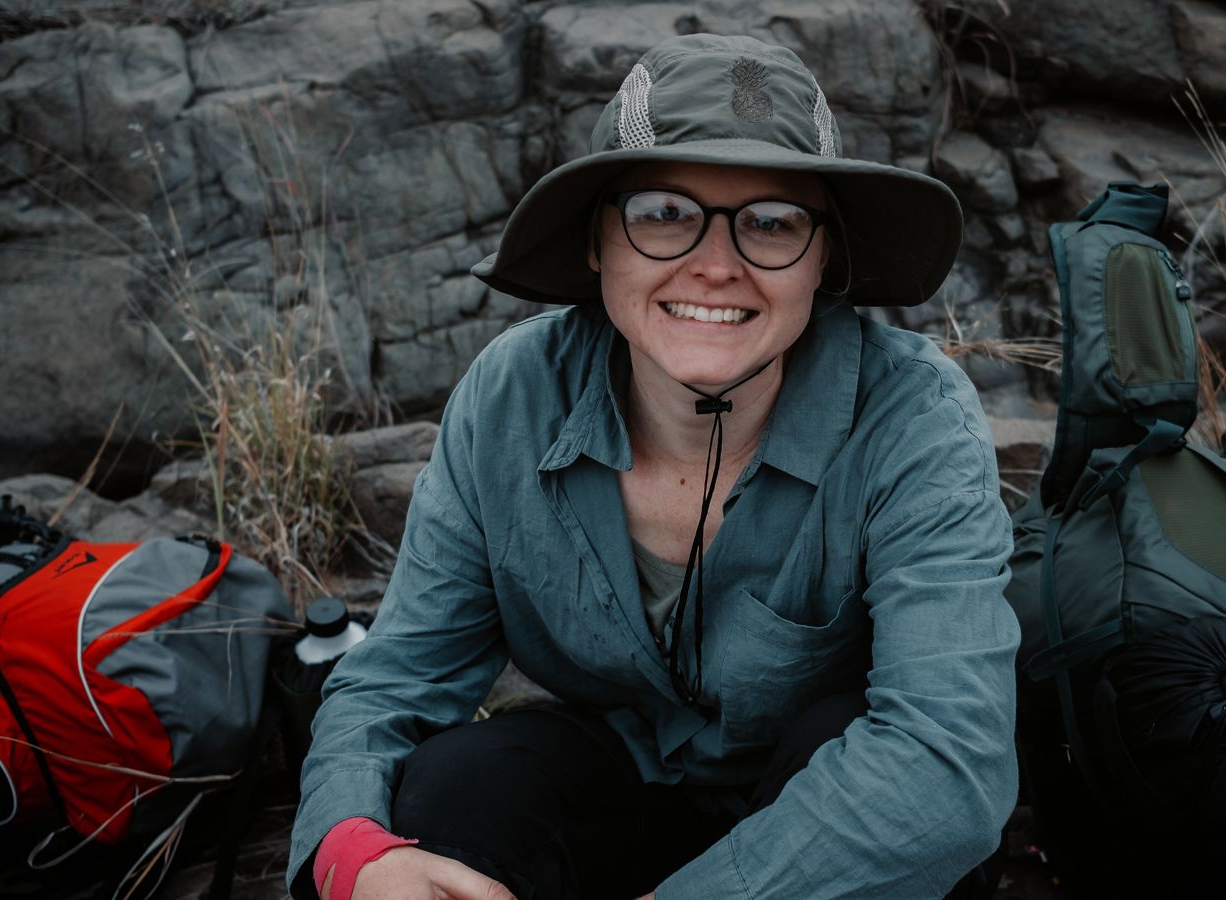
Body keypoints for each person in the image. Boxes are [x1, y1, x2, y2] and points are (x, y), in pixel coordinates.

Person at [288, 33, 1021, 900]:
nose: (715, 265)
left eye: (773, 223)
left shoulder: (912, 416)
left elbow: (946, 758)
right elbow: (396, 678)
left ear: (827, 258)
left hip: (823, 829)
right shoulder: (512, 397)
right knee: (458, 789)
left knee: (878, 780)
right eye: (662, 214)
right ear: (599, 242)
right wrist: (348, 850)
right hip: (609, 796)